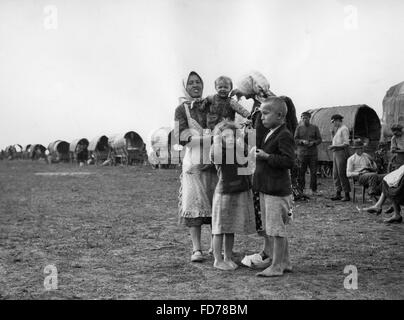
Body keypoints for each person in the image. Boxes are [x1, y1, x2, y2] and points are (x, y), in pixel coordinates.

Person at [174, 71, 218, 262]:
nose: (195, 85)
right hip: (193, 163)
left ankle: (215, 247)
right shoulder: (180, 109)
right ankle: (196, 248)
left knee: (217, 203)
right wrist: (209, 138)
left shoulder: (212, 105)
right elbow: (182, 137)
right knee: (194, 204)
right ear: (186, 86)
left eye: (198, 82)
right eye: (191, 83)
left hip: (215, 161)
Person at [249, 97, 296, 277]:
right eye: (261, 113)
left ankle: (277, 266)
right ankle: (285, 262)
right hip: (268, 188)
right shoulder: (271, 132)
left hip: (277, 190)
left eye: (266, 113)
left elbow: (289, 161)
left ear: (280, 115)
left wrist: (267, 156)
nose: (262, 117)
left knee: (276, 230)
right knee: (273, 228)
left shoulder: (284, 134)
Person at [210, 121, 256, 271]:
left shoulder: (237, 148)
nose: (230, 138)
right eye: (225, 135)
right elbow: (215, 157)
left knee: (230, 228)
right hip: (224, 193)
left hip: (236, 191)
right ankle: (218, 259)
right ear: (219, 137)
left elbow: (246, 157)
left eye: (232, 134)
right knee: (219, 228)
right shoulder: (218, 150)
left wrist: (241, 139)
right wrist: (216, 140)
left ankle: (228, 257)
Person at [186, 76, 251, 174]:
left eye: (226, 87)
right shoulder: (212, 98)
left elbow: (240, 109)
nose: (223, 89)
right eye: (220, 87)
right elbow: (205, 101)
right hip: (211, 127)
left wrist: (248, 115)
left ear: (230, 89)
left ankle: (240, 157)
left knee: (225, 144)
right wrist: (201, 106)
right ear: (216, 88)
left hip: (225, 128)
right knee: (207, 144)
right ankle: (206, 164)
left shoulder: (231, 102)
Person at [294, 112, 322, 195]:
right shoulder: (299, 128)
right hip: (302, 154)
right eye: (302, 118)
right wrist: (302, 141)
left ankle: (313, 189)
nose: (304, 119)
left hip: (312, 154)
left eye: (306, 118)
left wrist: (313, 143)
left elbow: (319, 139)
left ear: (309, 118)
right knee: (301, 172)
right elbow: (295, 139)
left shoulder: (315, 128)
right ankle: (301, 189)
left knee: (313, 173)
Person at [329, 114, 351, 201]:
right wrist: (332, 135)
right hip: (336, 153)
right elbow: (335, 142)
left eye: (334, 122)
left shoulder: (344, 129)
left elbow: (346, 144)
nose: (333, 124)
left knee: (342, 173)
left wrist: (335, 147)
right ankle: (338, 193)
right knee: (335, 174)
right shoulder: (338, 130)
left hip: (341, 152)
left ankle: (347, 194)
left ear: (338, 120)